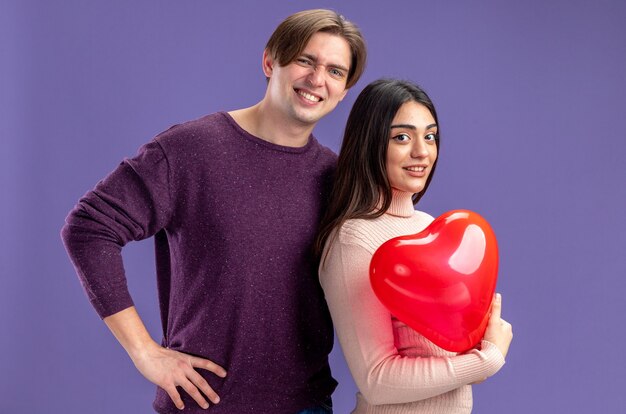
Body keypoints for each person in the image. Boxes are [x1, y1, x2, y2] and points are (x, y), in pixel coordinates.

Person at [61, 9, 366, 414]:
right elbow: (89, 227)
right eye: (306, 61)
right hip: (204, 405)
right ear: (270, 61)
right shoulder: (192, 149)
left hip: (306, 406)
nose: (317, 80)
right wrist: (144, 352)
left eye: (335, 71)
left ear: (344, 90)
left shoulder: (338, 177)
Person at [315, 79, 513, 413]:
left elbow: (457, 357)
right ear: (370, 144)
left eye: (430, 136)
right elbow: (376, 380)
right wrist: (488, 359)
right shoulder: (355, 241)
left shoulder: (432, 230)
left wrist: (480, 350)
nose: (422, 151)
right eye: (402, 137)